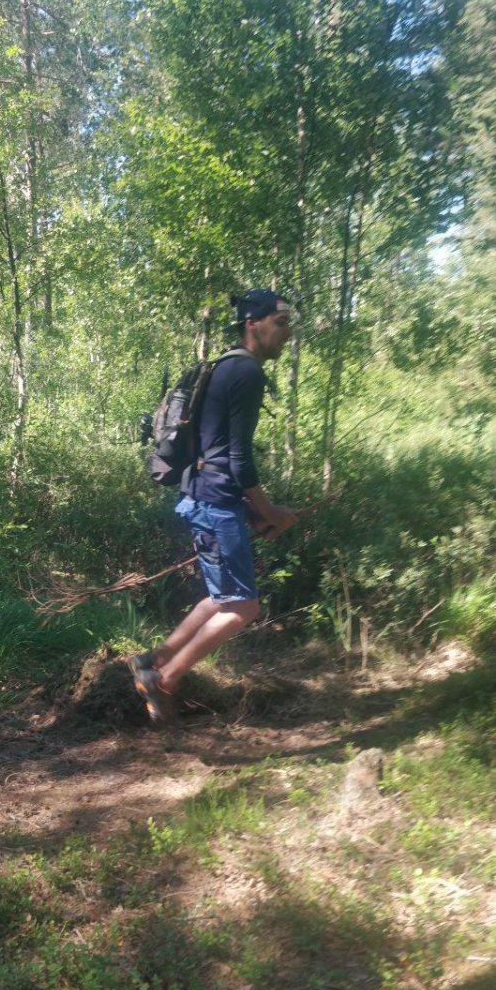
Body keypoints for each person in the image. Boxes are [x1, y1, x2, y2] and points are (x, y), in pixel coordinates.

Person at [130, 287, 298, 723]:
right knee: (243, 607)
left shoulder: (224, 366)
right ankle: (164, 679)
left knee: (222, 598)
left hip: (202, 496)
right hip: (217, 502)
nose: (287, 333)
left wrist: (253, 511)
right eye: (280, 323)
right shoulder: (247, 372)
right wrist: (269, 511)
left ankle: (151, 660)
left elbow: (217, 450)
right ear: (253, 325)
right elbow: (238, 459)